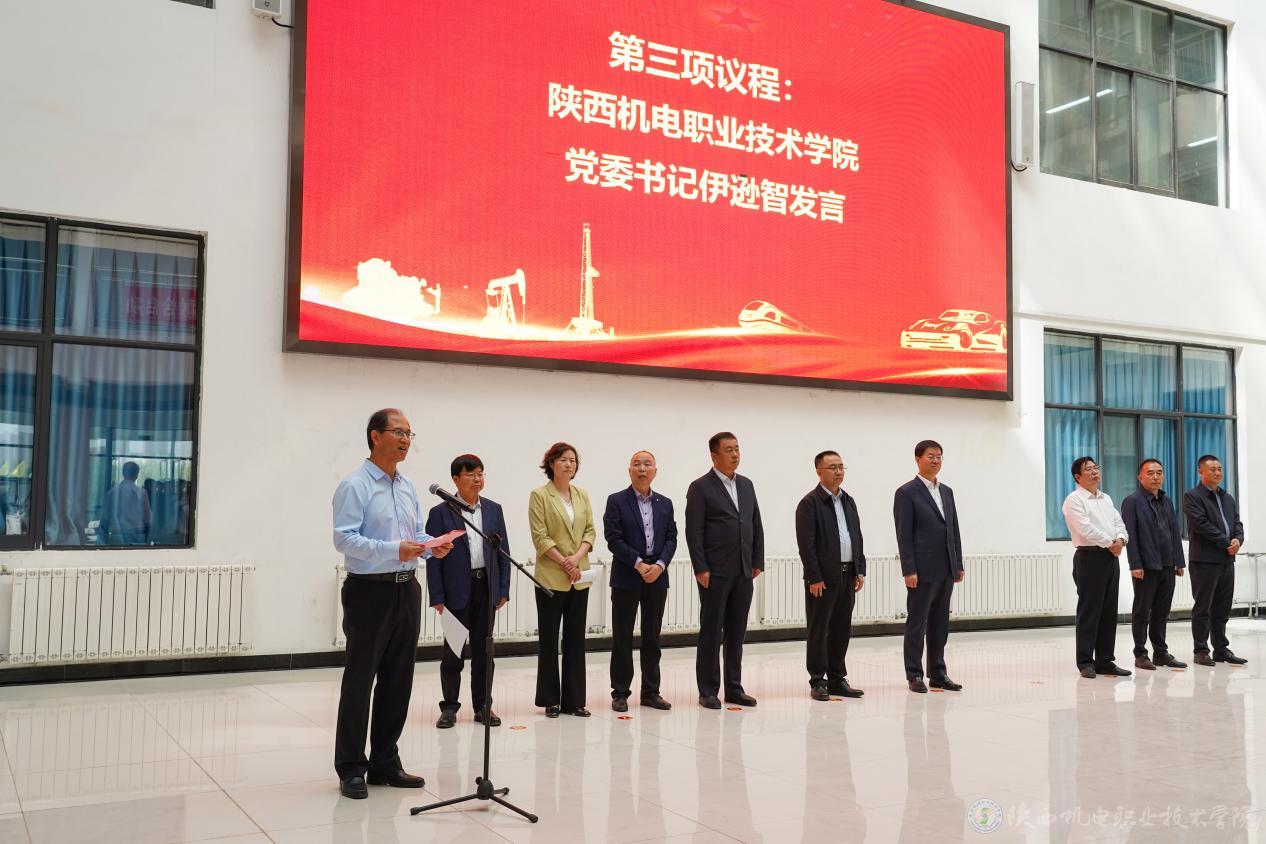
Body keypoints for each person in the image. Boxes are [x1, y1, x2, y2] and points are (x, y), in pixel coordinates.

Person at [331, 408, 453, 799]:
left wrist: (432, 546)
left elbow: (415, 533)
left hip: (406, 589)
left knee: (398, 680)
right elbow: (344, 539)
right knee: (360, 680)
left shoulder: (407, 486)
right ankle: (351, 767)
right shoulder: (355, 485)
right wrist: (394, 549)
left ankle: (385, 761)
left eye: (408, 434)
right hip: (369, 591)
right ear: (375, 436)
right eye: (398, 432)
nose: (405, 440)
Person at [426, 454, 511, 728]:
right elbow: (432, 559)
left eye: (480, 474)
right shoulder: (440, 513)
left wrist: (503, 588)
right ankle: (449, 708)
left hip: (485, 588)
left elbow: (503, 552)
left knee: (484, 652)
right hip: (455, 592)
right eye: (471, 474)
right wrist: (437, 597)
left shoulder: (494, 509)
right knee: (453, 653)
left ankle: (483, 705)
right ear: (455, 479)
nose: (477, 479)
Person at [686, 432, 764, 710]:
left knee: (737, 631)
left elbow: (755, 523)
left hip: (743, 570)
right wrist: (701, 567)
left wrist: (757, 560)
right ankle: (708, 690)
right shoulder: (700, 487)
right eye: (728, 450)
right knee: (711, 632)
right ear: (714, 455)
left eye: (737, 449)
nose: (735, 454)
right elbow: (694, 531)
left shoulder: (746, 484)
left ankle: (734, 687)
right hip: (715, 572)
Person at [603, 450, 677, 712]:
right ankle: (620, 692)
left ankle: (651, 692)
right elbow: (613, 538)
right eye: (637, 464)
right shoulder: (616, 501)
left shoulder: (665, 503)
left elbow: (671, 538)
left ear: (655, 471)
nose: (642, 469)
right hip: (627, 575)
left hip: (657, 577)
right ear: (630, 471)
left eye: (647, 464)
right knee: (622, 637)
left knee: (652, 637)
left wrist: (659, 565)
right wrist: (638, 563)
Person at [528, 441, 596, 717]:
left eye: (573, 460)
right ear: (551, 464)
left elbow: (590, 531)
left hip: (579, 576)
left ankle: (574, 700)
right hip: (550, 577)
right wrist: (565, 562)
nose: (569, 464)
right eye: (563, 459)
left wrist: (576, 558)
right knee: (549, 640)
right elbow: (540, 536)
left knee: (575, 639)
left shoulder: (582, 494)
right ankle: (550, 700)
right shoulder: (540, 495)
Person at [894, 440, 964, 693]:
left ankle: (938, 672)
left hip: (945, 567)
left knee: (940, 623)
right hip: (921, 570)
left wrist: (957, 563)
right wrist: (909, 569)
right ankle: (914, 674)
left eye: (939, 457)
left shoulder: (947, 491)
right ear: (918, 459)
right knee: (917, 622)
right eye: (931, 456)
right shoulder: (906, 492)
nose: (936, 461)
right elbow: (904, 535)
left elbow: (953, 529)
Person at [795, 450, 866, 700]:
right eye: (833, 467)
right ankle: (818, 680)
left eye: (841, 467)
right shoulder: (809, 503)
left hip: (847, 575)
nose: (838, 471)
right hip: (823, 579)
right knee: (819, 630)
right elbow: (806, 545)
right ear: (819, 471)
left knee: (841, 629)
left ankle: (837, 678)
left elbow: (856, 536)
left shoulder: (848, 501)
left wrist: (859, 569)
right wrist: (814, 576)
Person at [1061, 456, 1130, 679]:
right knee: (1090, 611)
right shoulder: (1074, 500)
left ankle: (1105, 661)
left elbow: (1119, 523)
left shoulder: (1106, 498)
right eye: (1088, 469)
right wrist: (1111, 543)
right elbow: (1085, 529)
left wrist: (1121, 540)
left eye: (1095, 467)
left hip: (1110, 558)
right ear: (1077, 476)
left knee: (1109, 611)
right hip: (1089, 558)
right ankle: (1085, 662)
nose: (1094, 471)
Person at [1120, 459, 1187, 670]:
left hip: (1168, 565)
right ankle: (1140, 654)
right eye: (1150, 473)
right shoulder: (1132, 501)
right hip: (1146, 566)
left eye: (1159, 472)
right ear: (1140, 477)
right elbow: (1130, 535)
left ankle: (1160, 653)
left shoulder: (1166, 501)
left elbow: (1174, 532)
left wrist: (1178, 561)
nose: (1155, 476)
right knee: (1142, 611)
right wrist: (1135, 564)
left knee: (1161, 612)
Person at [1183, 454, 1246, 666]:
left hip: (1227, 560)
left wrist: (1238, 540)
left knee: (1222, 607)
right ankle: (1201, 650)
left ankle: (1221, 649)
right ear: (1200, 471)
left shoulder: (1228, 498)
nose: (1217, 472)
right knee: (1203, 608)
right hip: (1204, 561)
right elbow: (1201, 525)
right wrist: (1226, 542)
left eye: (1219, 469)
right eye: (1212, 469)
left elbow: (1237, 523)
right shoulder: (1193, 496)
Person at [101, 461, 150, 545]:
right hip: (137, 534)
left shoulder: (112, 492)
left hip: (118, 533)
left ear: (123, 473)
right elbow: (146, 518)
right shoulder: (142, 493)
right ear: (137, 475)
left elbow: (106, 516)